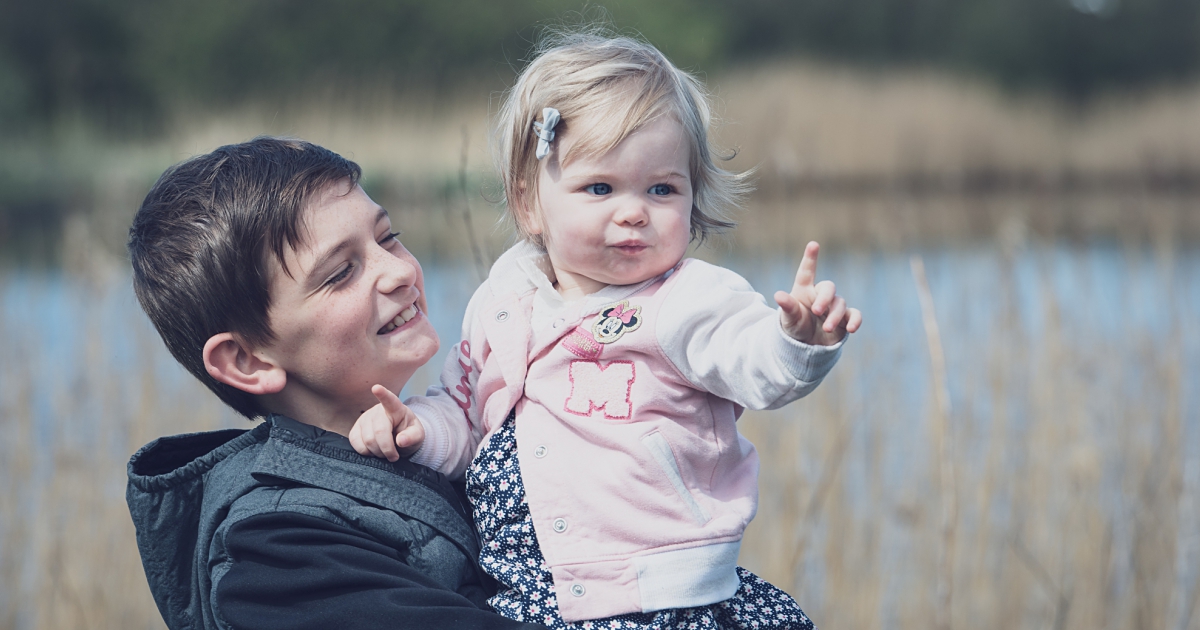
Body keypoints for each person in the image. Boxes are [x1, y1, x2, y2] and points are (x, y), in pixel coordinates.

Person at [350, 31, 862, 630]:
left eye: (662, 189)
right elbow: (465, 413)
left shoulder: (684, 298)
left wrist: (798, 342)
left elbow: (752, 360)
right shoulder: (502, 301)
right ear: (529, 204)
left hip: (658, 597)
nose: (633, 210)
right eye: (600, 188)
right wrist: (416, 430)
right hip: (526, 594)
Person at [123, 137, 549, 630]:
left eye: (388, 238)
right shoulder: (278, 561)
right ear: (247, 360)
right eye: (341, 272)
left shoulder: (451, 442)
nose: (400, 271)